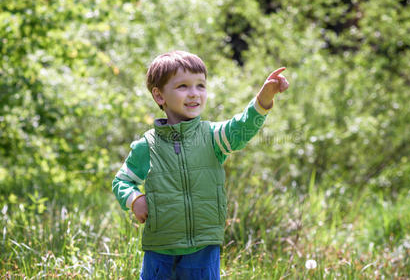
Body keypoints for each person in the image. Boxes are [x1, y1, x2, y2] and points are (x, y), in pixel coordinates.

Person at [112, 50, 288, 279]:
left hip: (204, 246)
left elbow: (242, 128)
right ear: (159, 96)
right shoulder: (148, 145)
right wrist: (134, 198)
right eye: (183, 86)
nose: (194, 93)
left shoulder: (212, 136)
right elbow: (122, 180)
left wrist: (263, 100)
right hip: (160, 247)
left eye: (200, 86)